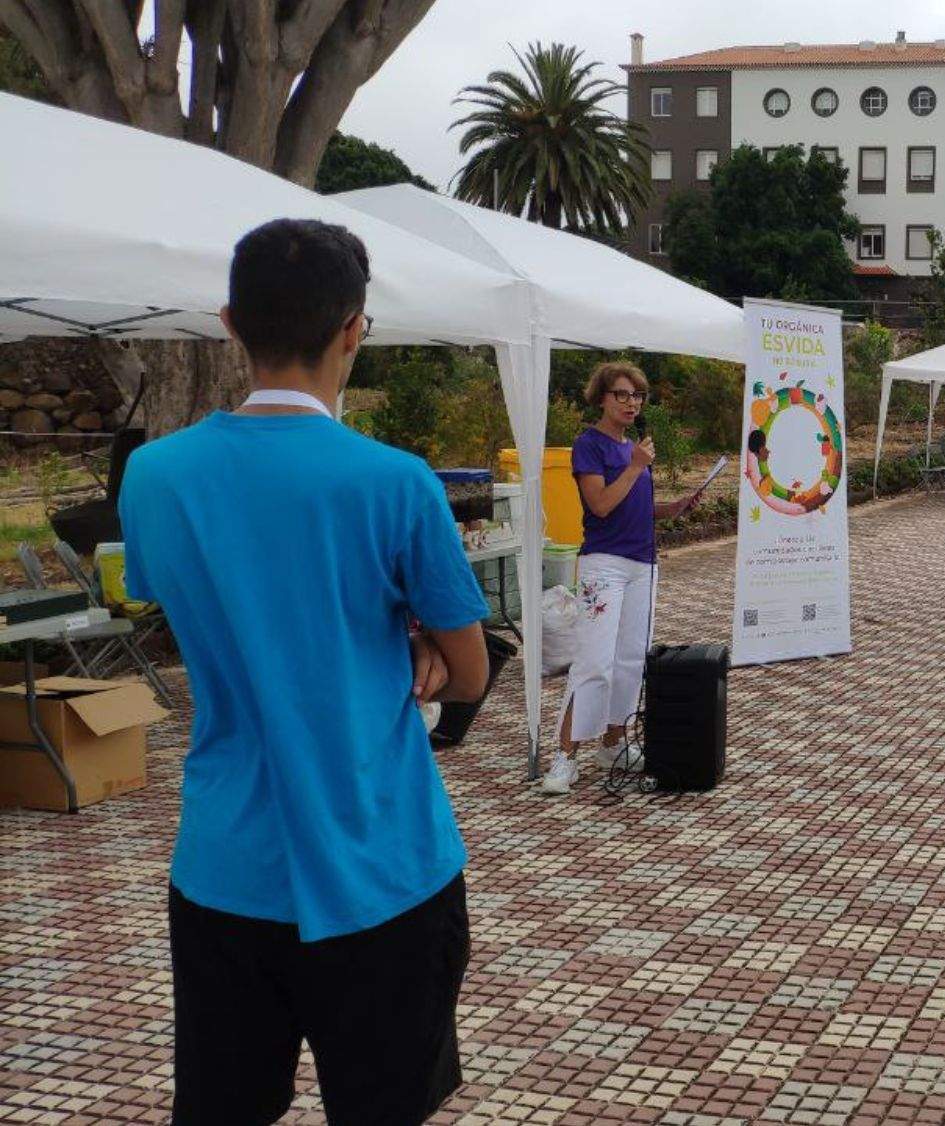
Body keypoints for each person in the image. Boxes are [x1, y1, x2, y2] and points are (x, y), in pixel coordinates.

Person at [118, 219, 492, 1123]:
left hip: (226, 868)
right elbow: (472, 672)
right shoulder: (397, 482)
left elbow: (202, 608)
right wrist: (415, 644)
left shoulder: (155, 477)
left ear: (230, 324)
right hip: (382, 865)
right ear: (355, 329)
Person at [542, 362, 710, 795]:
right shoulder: (590, 445)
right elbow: (599, 505)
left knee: (631, 659)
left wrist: (671, 508)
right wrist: (636, 467)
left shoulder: (634, 449)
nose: (632, 402)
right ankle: (565, 756)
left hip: (643, 564)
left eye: (637, 396)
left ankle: (613, 743)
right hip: (604, 564)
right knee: (594, 660)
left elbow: (632, 505)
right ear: (601, 397)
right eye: (622, 394)